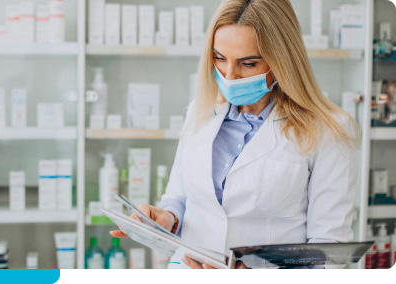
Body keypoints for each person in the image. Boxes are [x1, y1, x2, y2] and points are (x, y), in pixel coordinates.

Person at [111, 0, 359, 269]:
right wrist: (167, 218)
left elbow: (329, 249)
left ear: (283, 61)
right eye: (219, 58)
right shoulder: (201, 111)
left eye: (248, 63)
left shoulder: (329, 130)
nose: (230, 76)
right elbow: (180, 196)